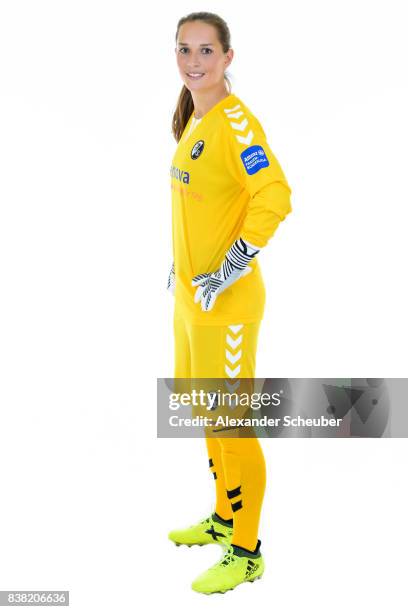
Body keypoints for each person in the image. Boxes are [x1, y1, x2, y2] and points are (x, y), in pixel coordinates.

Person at [166, 11, 292, 594]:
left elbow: (275, 194)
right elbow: (202, 204)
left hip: (230, 305)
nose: (194, 63)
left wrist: (233, 262)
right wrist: (184, 264)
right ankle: (223, 517)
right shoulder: (196, 116)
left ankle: (247, 551)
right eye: (184, 50)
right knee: (202, 410)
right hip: (192, 303)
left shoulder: (237, 124)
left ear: (228, 58)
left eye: (206, 52)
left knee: (233, 423)